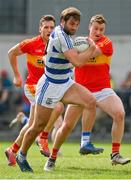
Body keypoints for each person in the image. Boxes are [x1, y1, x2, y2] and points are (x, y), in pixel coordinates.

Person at [15, 6, 98, 173]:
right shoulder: (62, 37)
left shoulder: (65, 35)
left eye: (76, 25)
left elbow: (75, 58)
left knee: (90, 101)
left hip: (65, 82)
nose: (74, 27)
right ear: (63, 22)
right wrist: (92, 49)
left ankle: (85, 142)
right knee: (38, 126)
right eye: (71, 24)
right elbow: (78, 62)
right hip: (50, 85)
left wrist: (84, 49)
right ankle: (21, 155)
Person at [45, 14, 131, 171]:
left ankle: (115, 154)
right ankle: (52, 158)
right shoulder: (77, 42)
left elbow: (92, 53)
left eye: (101, 29)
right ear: (89, 28)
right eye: (96, 28)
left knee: (119, 114)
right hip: (80, 91)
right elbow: (72, 60)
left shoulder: (106, 42)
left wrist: (78, 54)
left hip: (103, 90)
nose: (98, 32)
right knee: (66, 127)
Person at [5, 15, 63, 166]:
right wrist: (17, 76)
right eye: (46, 27)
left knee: (32, 125)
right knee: (57, 107)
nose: (49, 30)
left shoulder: (57, 44)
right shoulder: (32, 43)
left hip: (48, 88)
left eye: (51, 27)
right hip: (33, 87)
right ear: (40, 28)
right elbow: (11, 52)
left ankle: (12, 149)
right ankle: (43, 137)